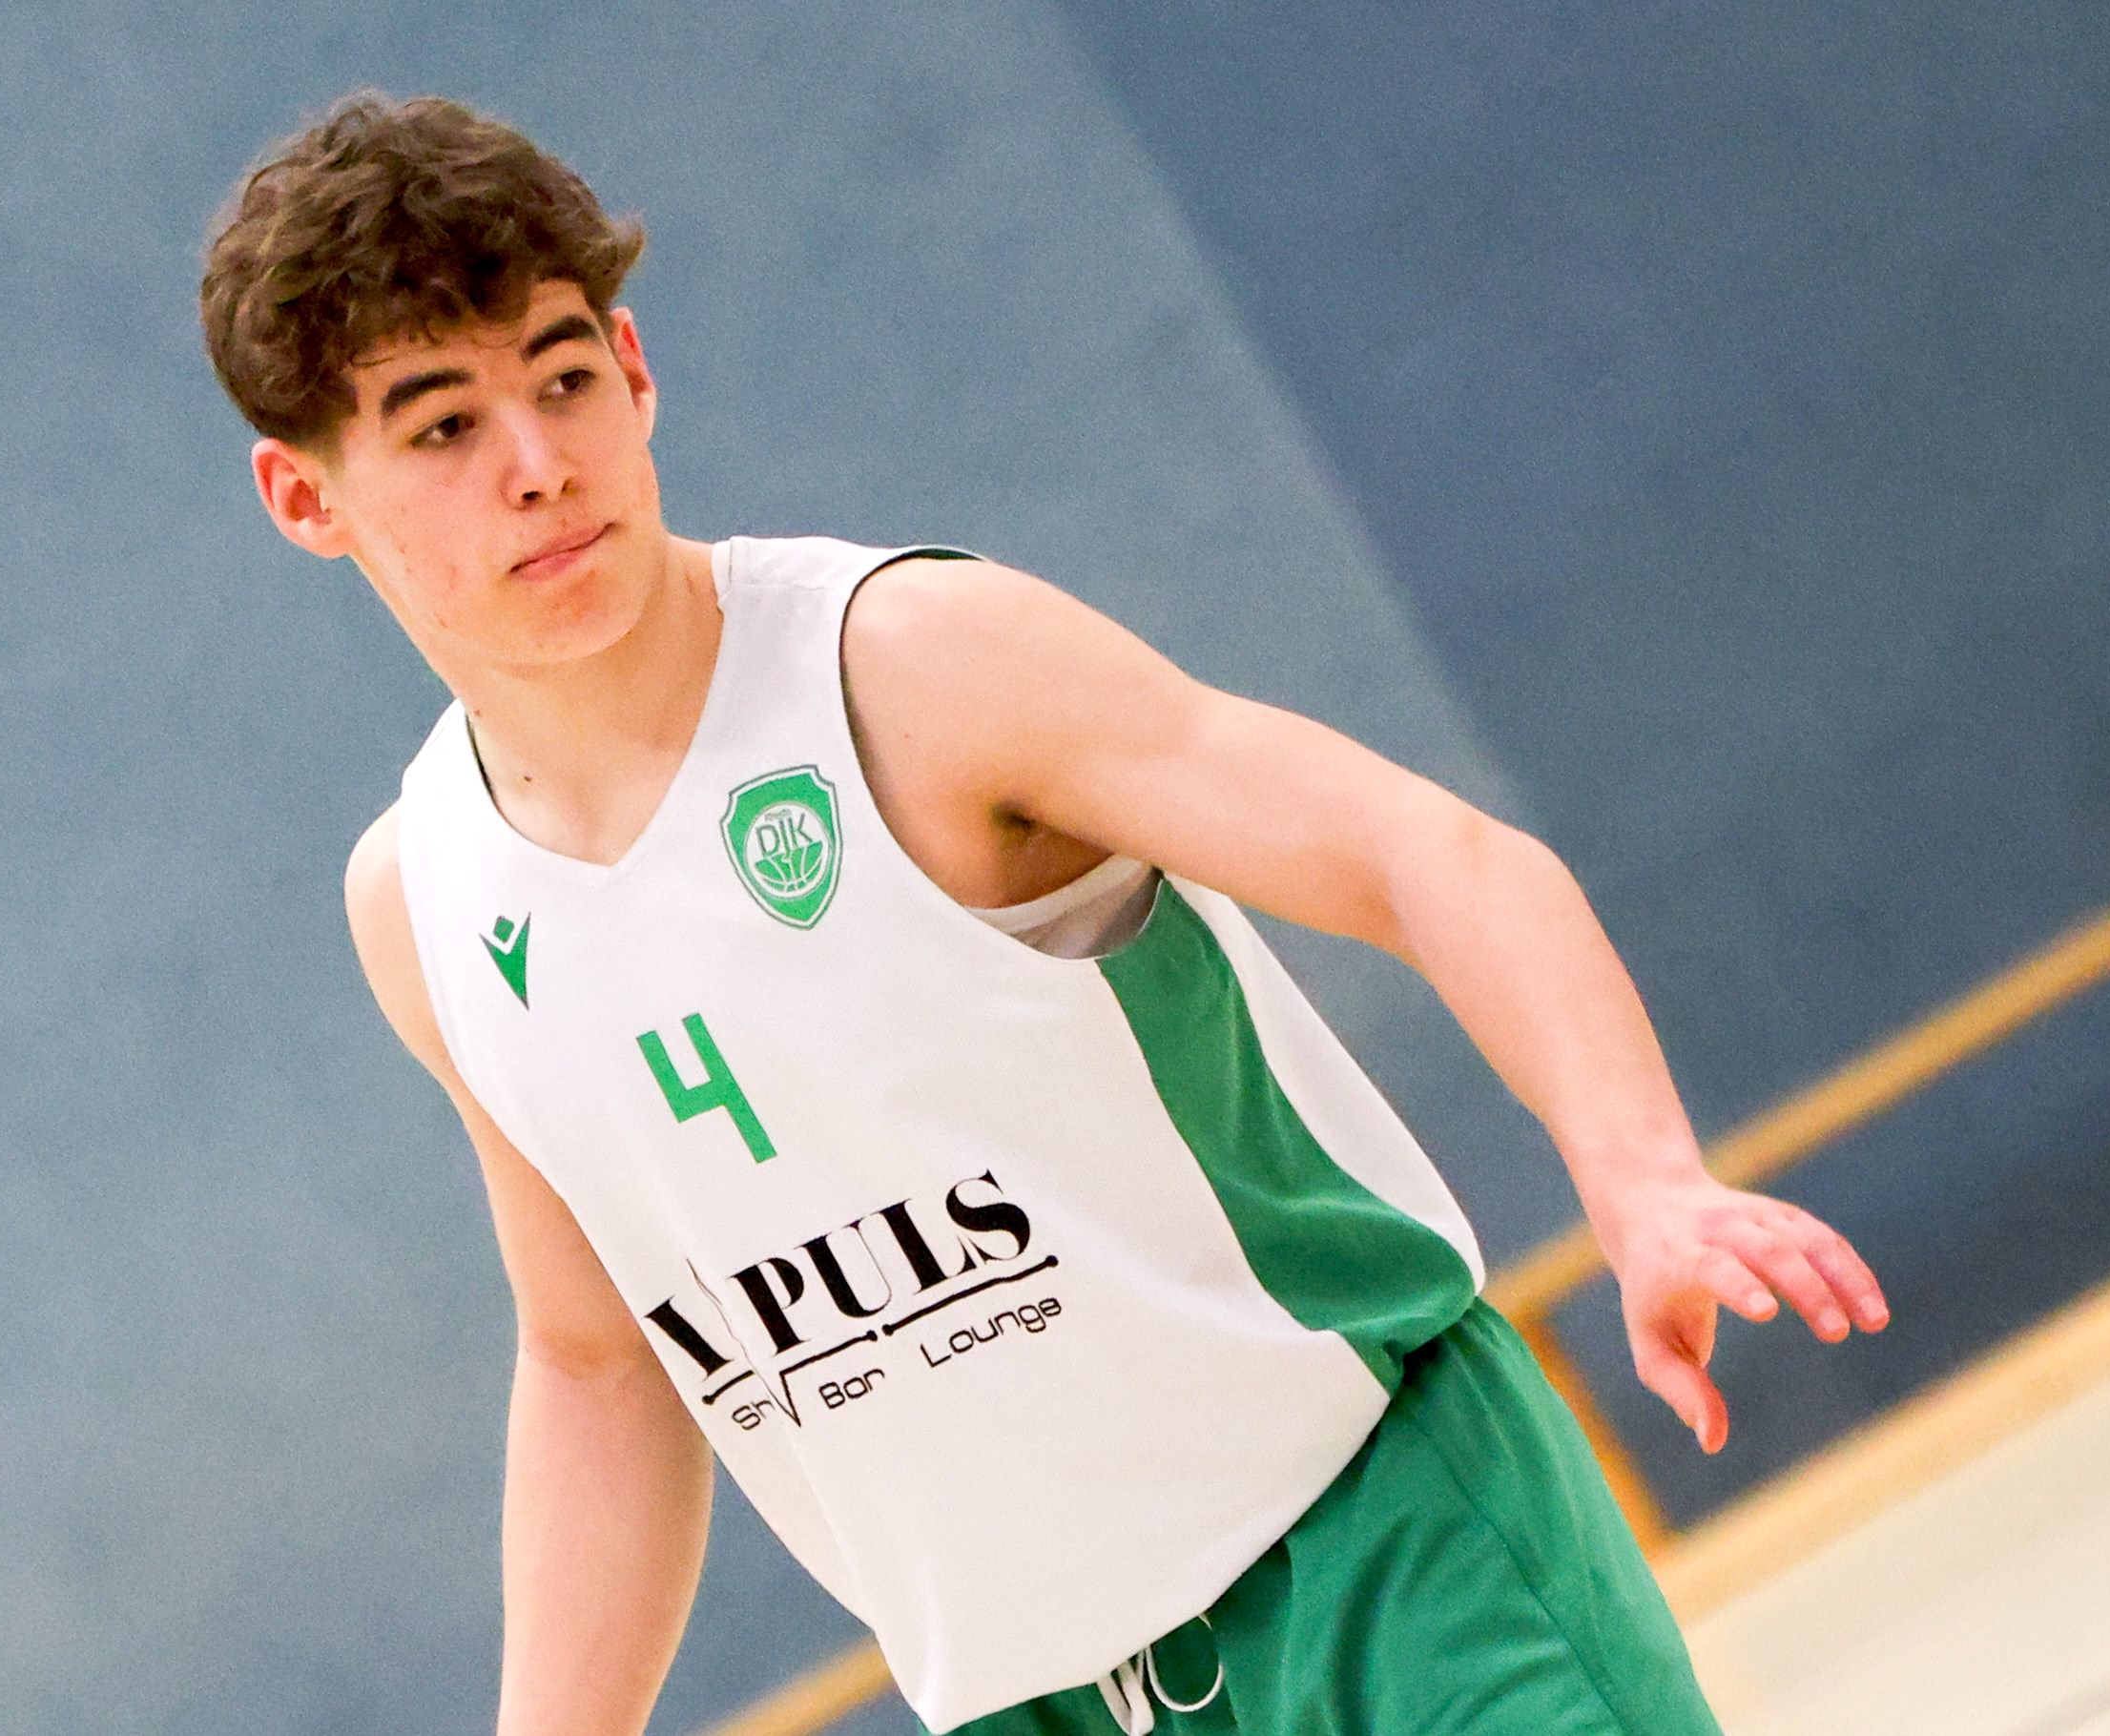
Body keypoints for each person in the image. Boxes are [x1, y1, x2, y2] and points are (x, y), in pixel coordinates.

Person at [200, 91, 1890, 1736]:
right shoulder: (423, 903)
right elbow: (597, 1361)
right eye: (442, 427)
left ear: (635, 371)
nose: (538, 466)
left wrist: (1645, 1179)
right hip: (1029, 1693)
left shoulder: (904, 667)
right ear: (306, 497)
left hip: (1383, 1552)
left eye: (565, 380)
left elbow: (1424, 854)